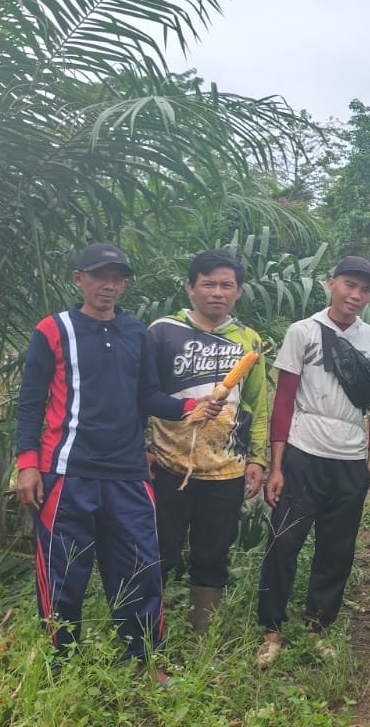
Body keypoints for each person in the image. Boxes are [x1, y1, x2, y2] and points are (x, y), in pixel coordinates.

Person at [15, 243, 222, 680]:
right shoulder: (53, 330)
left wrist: (190, 408)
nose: (108, 285)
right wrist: (27, 463)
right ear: (79, 279)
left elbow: (148, 395)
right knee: (63, 573)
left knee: (139, 569)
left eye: (117, 278)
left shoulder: (136, 334)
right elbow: (30, 402)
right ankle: (60, 664)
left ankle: (144, 659)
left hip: (128, 473)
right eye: (99, 276)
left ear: (125, 284)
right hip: (67, 472)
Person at [257, 256, 370, 666]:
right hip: (303, 450)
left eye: (365, 290)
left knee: (337, 549)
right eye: (349, 285)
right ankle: (271, 629)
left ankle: (318, 628)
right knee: (284, 543)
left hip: (350, 455)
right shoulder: (303, 332)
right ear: (330, 283)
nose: (356, 295)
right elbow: (284, 399)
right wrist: (277, 465)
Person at [146, 249, 270, 636]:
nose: (217, 292)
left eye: (226, 285)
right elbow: (140, 393)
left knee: (213, 553)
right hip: (168, 463)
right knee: (159, 549)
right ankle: (147, 631)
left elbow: (257, 405)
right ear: (190, 287)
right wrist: (141, 448)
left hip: (226, 468)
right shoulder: (163, 331)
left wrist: (258, 459)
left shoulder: (248, 340)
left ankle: (202, 635)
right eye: (208, 284)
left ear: (239, 291)